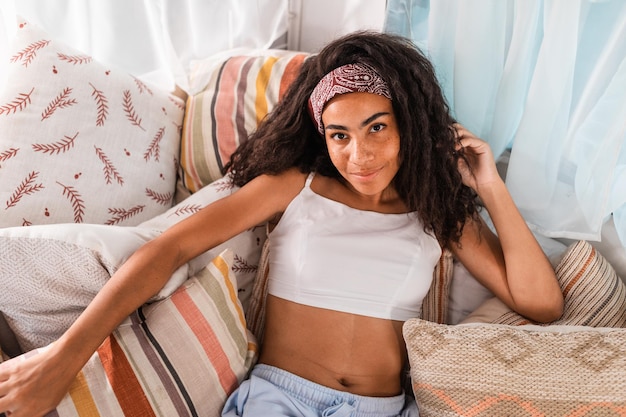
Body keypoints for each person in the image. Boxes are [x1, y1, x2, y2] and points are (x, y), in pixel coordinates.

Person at [0, 31, 563, 417]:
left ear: (408, 124)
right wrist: (65, 355)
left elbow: (542, 305)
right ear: (322, 136)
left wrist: (489, 186)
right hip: (279, 400)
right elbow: (165, 252)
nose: (359, 155)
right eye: (339, 135)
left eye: (376, 128)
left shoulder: (436, 211)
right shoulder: (297, 185)